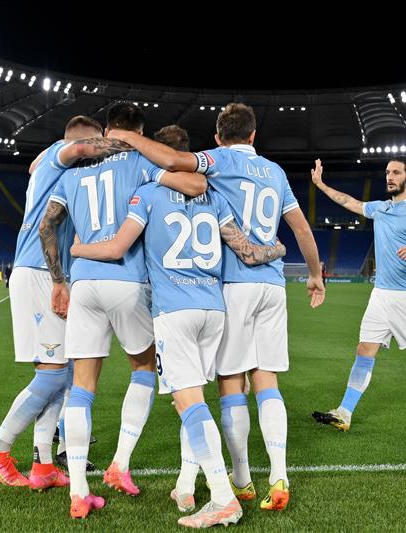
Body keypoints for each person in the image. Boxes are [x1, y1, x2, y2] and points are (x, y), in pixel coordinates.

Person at [104, 103, 325, 511]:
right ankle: (279, 472)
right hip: (273, 284)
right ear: (254, 136)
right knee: (267, 380)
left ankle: (240, 480)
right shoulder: (275, 173)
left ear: (219, 137)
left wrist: (131, 137)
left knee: (227, 385)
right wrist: (314, 274)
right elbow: (300, 227)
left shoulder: (216, 163)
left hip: (233, 285)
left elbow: (173, 161)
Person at [40, 103, 209, 519]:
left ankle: (78, 491)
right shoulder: (137, 161)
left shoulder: (71, 173)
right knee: (143, 367)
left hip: (83, 282)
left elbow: (48, 225)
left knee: (81, 385)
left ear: (106, 130)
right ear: (136, 131)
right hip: (126, 278)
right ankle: (119, 464)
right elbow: (190, 185)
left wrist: (59, 277)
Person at [0, 116, 121, 491]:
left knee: (65, 373)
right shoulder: (65, 155)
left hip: (51, 273)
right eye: (96, 147)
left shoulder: (48, 163)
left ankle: (43, 465)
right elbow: (76, 147)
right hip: (41, 272)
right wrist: (130, 145)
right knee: (54, 373)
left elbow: (36, 162)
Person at [309, 157, 406, 431]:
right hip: (381, 295)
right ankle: (344, 412)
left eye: (396, 172)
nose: (389, 177)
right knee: (364, 349)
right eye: (387, 172)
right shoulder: (382, 208)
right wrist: (321, 185)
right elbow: (349, 202)